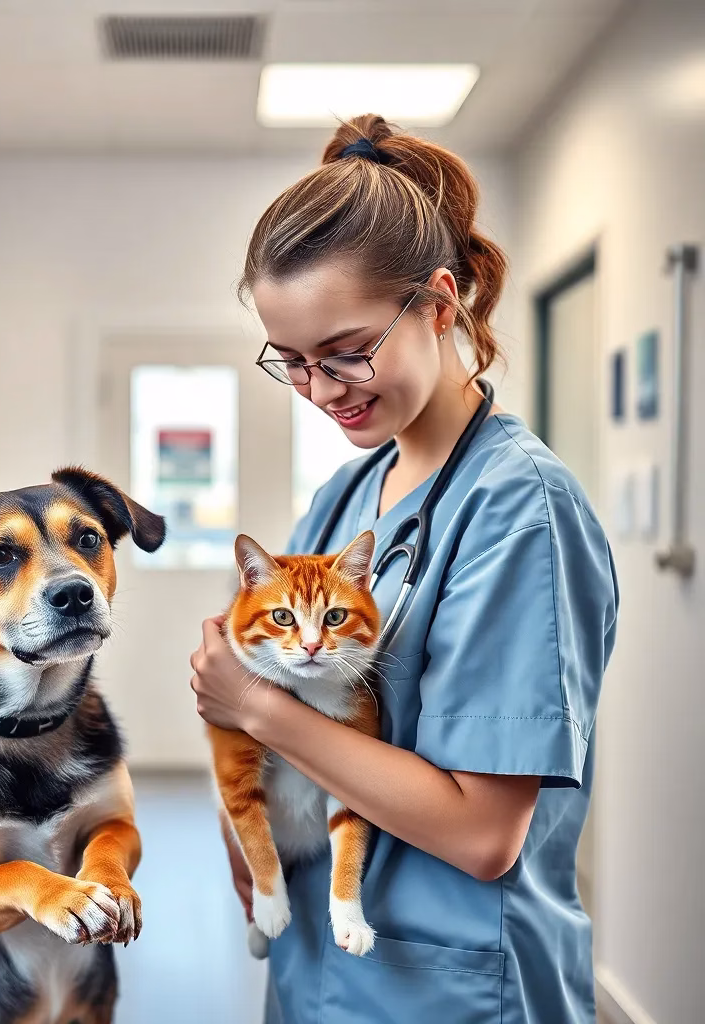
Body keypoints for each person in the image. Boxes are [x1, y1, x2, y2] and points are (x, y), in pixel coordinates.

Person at [188, 114, 618, 1024]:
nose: (322, 389)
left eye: (347, 351)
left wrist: (253, 704)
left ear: (437, 301)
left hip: (451, 989)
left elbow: (481, 832)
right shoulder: (344, 499)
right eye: (294, 363)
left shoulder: (519, 509)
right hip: (323, 965)